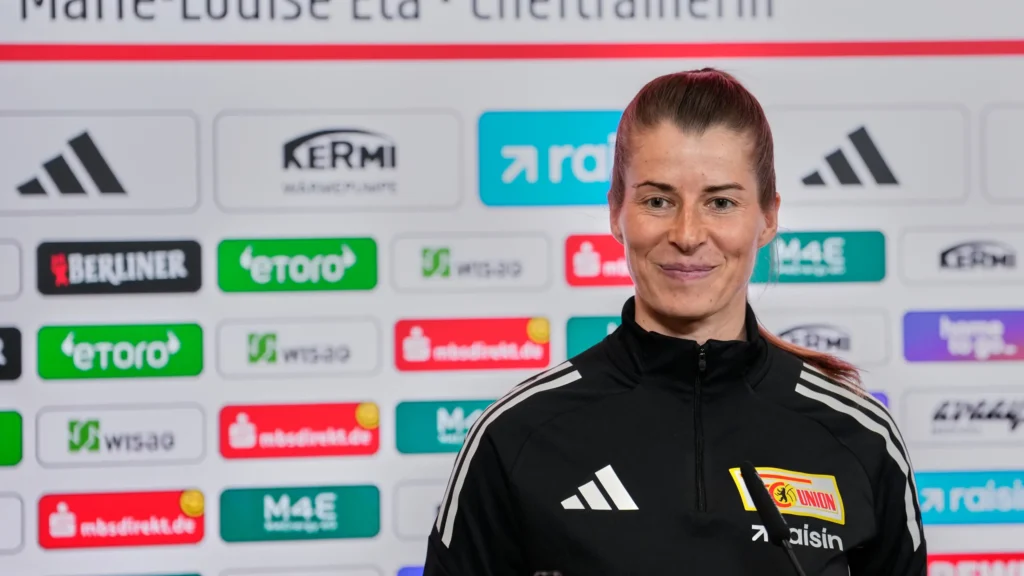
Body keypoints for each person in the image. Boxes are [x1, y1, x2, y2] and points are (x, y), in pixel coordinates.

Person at [423, 68, 926, 576]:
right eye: (658, 201)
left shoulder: (858, 437)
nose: (687, 235)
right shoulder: (516, 436)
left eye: (721, 202)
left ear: (768, 218)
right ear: (615, 212)